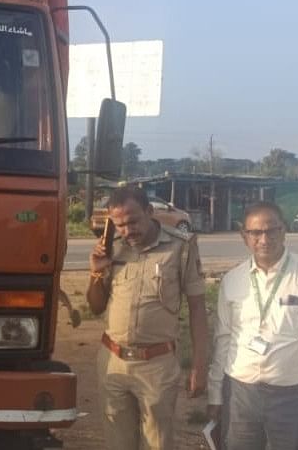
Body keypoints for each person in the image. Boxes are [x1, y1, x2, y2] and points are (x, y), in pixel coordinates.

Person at [207, 201, 298, 450]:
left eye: (272, 230)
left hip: (295, 393)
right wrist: (216, 393)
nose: (264, 239)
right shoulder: (232, 280)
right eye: (255, 233)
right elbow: (223, 339)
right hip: (241, 392)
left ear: (284, 231)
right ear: (244, 236)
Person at [87, 185, 209, 450]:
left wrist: (200, 366)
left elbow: (198, 308)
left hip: (157, 365)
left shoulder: (181, 248)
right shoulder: (114, 248)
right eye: (119, 225)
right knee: (118, 443)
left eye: (133, 221)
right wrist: (97, 273)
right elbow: (95, 307)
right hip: (113, 363)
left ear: (150, 211)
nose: (127, 231)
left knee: (158, 443)